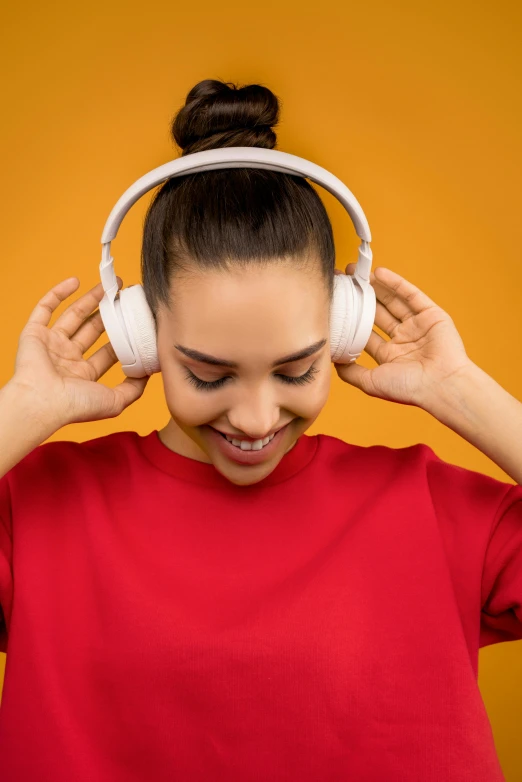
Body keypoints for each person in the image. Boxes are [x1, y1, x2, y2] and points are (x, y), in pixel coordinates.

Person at [0, 78, 520, 782]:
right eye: (209, 375)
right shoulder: (38, 513)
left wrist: (464, 393)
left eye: (297, 371)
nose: (255, 418)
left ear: (344, 328)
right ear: (144, 337)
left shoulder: (430, 510)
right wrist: (23, 407)